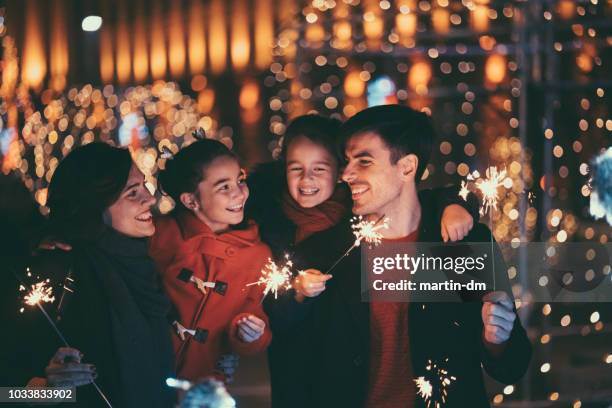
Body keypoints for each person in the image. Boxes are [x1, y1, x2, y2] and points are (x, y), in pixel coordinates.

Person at [285, 105, 532, 407]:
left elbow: (513, 367)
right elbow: (293, 352)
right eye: (346, 162)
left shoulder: (464, 246)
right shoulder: (325, 251)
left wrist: (497, 340)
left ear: (406, 167)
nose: (346, 174)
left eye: (363, 161)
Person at [246, 114, 482, 407]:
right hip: (298, 375)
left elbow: (417, 198)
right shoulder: (267, 220)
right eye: (296, 168)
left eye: (321, 168)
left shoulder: (358, 211)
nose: (308, 179)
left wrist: (454, 204)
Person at [16, 143, 175, 407]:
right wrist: (48, 389)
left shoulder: (146, 264)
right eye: (132, 193)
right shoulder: (55, 274)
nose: (150, 198)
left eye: (144, 185)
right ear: (94, 206)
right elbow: (8, 392)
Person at [150, 139, 272, 382]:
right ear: (190, 201)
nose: (239, 193)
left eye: (240, 180)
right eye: (223, 187)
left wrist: (250, 333)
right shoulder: (159, 235)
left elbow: (253, 313)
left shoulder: (259, 256)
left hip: (205, 386)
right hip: (147, 374)